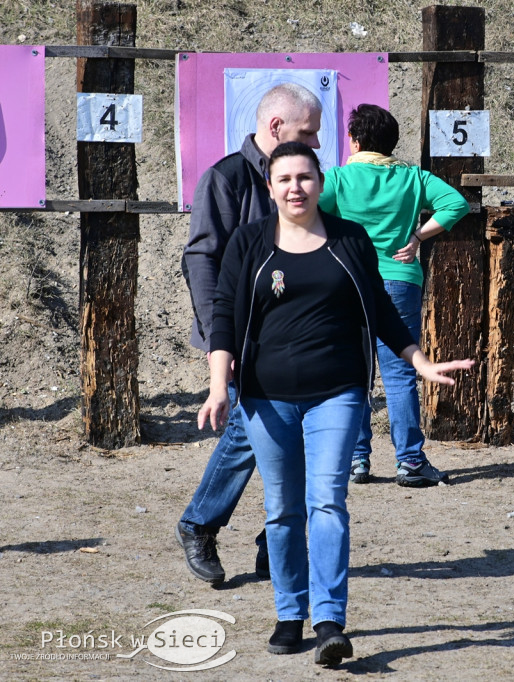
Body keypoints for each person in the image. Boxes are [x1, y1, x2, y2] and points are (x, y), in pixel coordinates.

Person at [198, 142, 474, 665]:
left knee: (328, 501)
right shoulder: (250, 242)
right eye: (284, 179)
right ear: (270, 187)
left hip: (337, 394)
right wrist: (218, 386)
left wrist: (418, 361)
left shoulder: (349, 240)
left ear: (321, 184)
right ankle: (288, 613)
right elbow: (224, 316)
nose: (295, 187)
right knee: (283, 509)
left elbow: (382, 311)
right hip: (266, 398)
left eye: (304, 177)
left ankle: (329, 621)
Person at [178, 83, 322, 585]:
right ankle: (201, 522)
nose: (317, 144)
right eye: (309, 132)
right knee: (247, 428)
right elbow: (201, 258)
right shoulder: (226, 177)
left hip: (296, 335)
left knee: (296, 434)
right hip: (243, 338)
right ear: (277, 128)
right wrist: (222, 335)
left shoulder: (304, 180)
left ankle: (272, 543)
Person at [319, 104, 470, 487]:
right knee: (401, 373)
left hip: (348, 281)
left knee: (355, 372)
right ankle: (410, 462)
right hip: (401, 279)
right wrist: (418, 236)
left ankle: (355, 460)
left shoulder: (337, 178)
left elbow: (302, 210)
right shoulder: (413, 178)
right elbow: (457, 204)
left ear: (354, 140)